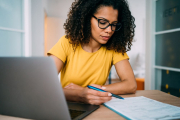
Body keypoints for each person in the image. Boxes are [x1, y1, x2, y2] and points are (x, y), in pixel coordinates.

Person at [48, 0, 136, 105]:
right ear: (86, 19)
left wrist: (87, 90)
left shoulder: (114, 47)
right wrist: (80, 94)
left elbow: (131, 85)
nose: (109, 30)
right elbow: (45, 86)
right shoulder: (66, 42)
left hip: (96, 105)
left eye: (114, 24)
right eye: (103, 22)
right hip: (67, 106)